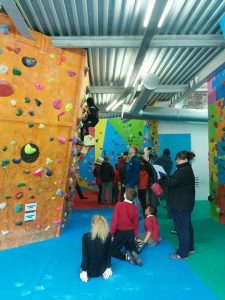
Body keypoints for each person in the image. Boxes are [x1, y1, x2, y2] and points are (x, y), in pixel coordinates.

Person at [159, 150, 196, 259]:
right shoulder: (186, 169)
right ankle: (190, 248)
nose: (176, 160)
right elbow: (175, 181)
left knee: (181, 228)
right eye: (176, 158)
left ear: (185, 159)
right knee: (187, 226)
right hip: (185, 203)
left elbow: (171, 183)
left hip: (180, 203)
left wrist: (162, 179)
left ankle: (182, 253)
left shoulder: (182, 170)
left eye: (178, 159)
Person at [110, 188, 143, 266]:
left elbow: (115, 220)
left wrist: (111, 233)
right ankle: (133, 251)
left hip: (120, 233)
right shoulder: (134, 208)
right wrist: (134, 235)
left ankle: (126, 256)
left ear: (124, 195)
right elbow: (136, 223)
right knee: (131, 247)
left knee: (111, 250)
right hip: (130, 233)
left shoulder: (119, 205)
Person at [80, 215, 112, 282]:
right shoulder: (108, 236)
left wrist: (84, 271)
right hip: (102, 269)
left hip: (90, 271)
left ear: (92, 225)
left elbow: (85, 256)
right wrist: (108, 267)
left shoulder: (85, 237)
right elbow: (109, 254)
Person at [125, 146, 142, 217]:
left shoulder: (136, 160)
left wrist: (131, 183)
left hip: (132, 183)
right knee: (130, 199)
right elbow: (129, 172)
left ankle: (137, 215)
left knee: (135, 199)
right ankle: (132, 214)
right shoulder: (131, 159)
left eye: (131, 149)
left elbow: (136, 173)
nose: (129, 149)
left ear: (134, 151)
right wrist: (126, 182)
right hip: (129, 183)